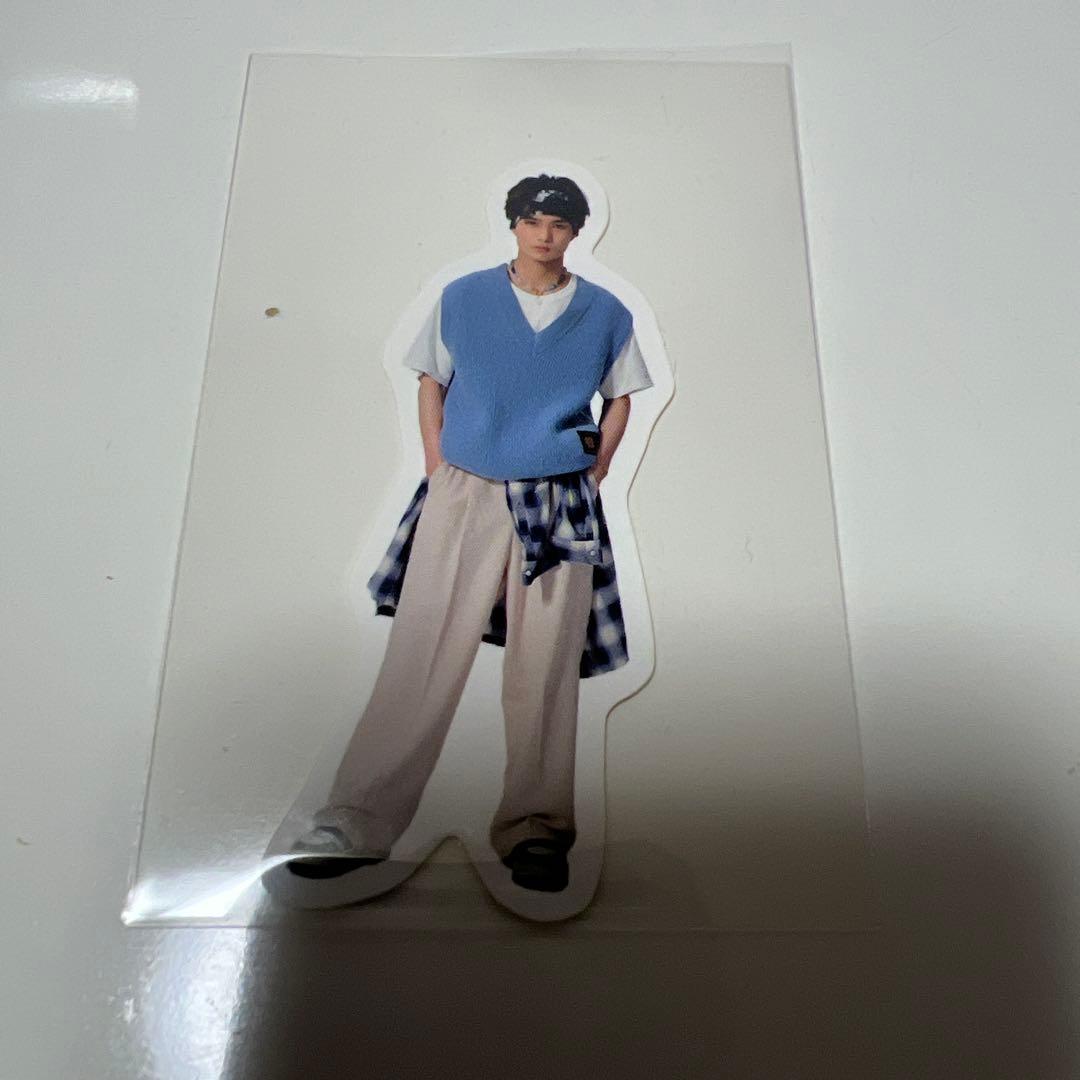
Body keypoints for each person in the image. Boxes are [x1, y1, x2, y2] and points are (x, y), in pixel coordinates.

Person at [283, 174, 652, 893]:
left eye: (559, 223)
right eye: (533, 220)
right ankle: (354, 821)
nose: (545, 234)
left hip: (559, 497)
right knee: (422, 649)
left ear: (577, 232)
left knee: (545, 665)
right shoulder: (463, 298)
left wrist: (596, 470)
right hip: (466, 487)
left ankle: (537, 830)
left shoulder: (605, 312)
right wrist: (438, 463)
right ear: (513, 224)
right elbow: (431, 381)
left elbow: (621, 396)